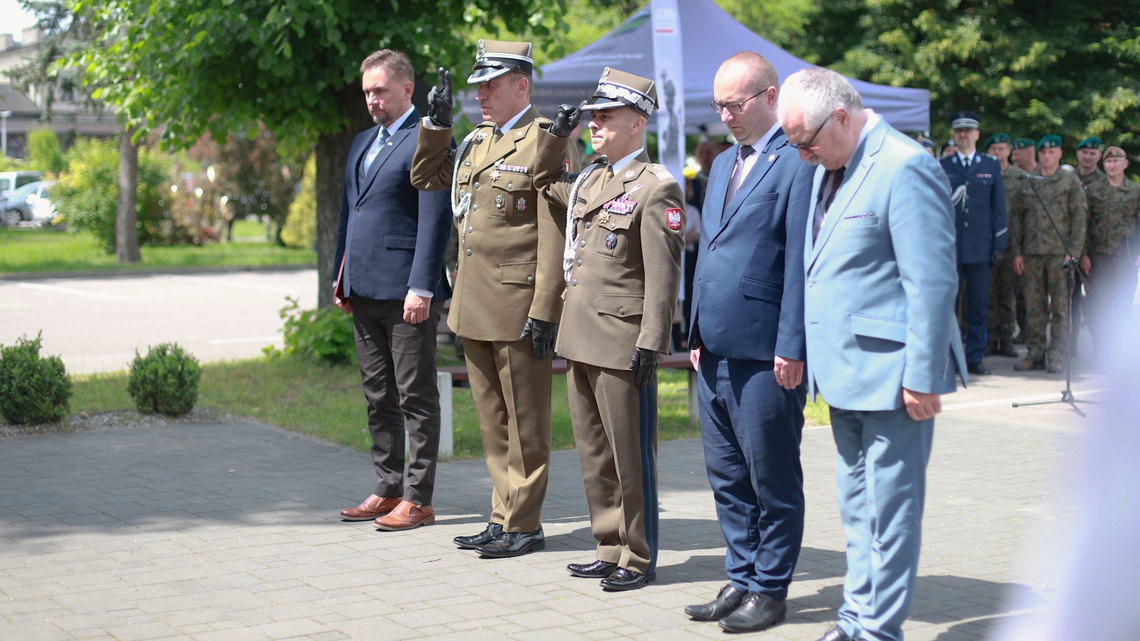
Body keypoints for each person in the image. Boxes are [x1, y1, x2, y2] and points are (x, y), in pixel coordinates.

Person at [776, 67, 966, 641]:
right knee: (858, 510)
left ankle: (879, 631)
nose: (802, 157)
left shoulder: (905, 166)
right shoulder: (824, 167)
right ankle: (856, 618)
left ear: (840, 116)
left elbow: (931, 282)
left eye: (805, 143)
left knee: (890, 512)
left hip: (893, 376)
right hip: (843, 372)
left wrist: (923, 374)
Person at [410, 39, 566, 558]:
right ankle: (502, 516)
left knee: (525, 425)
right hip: (473, 300)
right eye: (477, 84)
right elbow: (426, 177)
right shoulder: (476, 140)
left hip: (519, 303)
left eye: (491, 84)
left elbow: (553, 230)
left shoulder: (545, 139)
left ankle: (525, 524)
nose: (480, 93)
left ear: (522, 85)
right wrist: (435, 127)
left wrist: (546, 307)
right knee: (492, 423)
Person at [534, 67, 685, 592]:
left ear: (638, 122)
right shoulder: (591, 179)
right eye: (593, 116)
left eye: (606, 115)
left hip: (623, 342)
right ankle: (608, 544)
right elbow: (541, 179)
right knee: (594, 452)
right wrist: (559, 136)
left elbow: (664, 275)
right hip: (579, 335)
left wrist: (652, 341)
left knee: (630, 453)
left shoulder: (656, 187)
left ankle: (639, 556)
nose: (594, 124)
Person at [681, 51, 814, 633]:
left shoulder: (796, 163)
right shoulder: (723, 166)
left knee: (772, 477)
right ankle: (740, 576)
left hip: (767, 350)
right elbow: (708, 252)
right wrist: (694, 332)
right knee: (727, 475)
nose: (725, 115)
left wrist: (793, 344)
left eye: (734, 104)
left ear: (769, 96)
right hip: (714, 347)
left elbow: (800, 266)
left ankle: (771, 587)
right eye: (719, 106)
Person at [333, 50, 452, 531]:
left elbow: (434, 219)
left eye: (379, 90)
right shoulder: (362, 142)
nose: (372, 100)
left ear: (408, 88)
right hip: (364, 289)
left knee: (415, 396)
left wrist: (422, 286)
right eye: (366, 92)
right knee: (377, 395)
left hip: (407, 294)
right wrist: (341, 277)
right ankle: (387, 488)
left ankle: (419, 498)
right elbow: (349, 216)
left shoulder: (427, 140)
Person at [1010, 135, 1088, 373]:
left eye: (1051, 152)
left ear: (1060, 154)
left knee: (1061, 307)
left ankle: (1056, 353)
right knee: (1034, 306)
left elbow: (1079, 218)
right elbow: (1017, 220)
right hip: (1032, 254)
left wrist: (1072, 252)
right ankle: (1035, 352)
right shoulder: (1028, 181)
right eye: (1043, 152)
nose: (1047, 156)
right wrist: (1017, 252)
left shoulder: (1069, 181)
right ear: (1038, 154)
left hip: (1059, 255)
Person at [939, 111, 1006, 375]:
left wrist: (1000, 244)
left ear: (977, 135)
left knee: (979, 306)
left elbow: (998, 207)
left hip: (980, 246)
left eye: (968, 131)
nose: (963, 135)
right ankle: (948, 356)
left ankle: (975, 357)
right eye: (959, 131)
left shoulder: (990, 165)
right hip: (950, 248)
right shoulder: (943, 164)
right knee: (948, 306)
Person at [1081, 146, 1140, 358]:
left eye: (1116, 161)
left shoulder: (1135, 191)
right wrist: (1084, 254)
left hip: (1126, 259)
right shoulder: (1094, 191)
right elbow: (1084, 225)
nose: (1112, 165)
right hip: (1099, 259)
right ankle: (1101, 351)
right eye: (1108, 162)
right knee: (1099, 305)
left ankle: (1121, 354)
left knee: (1123, 305)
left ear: (1125, 163)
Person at [983, 133, 1025, 358]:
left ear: (1009, 150)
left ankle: (1007, 338)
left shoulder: (1019, 177)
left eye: (1001, 148)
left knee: (1009, 294)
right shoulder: (982, 173)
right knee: (989, 294)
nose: (997, 153)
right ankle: (990, 338)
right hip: (986, 242)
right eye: (993, 149)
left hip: (1011, 243)